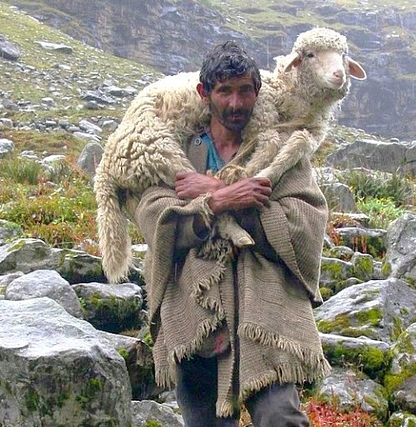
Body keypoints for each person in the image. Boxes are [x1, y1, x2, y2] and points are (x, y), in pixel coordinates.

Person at [134, 41, 330, 427]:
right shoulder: (176, 150)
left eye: (244, 90)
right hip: (196, 309)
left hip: (268, 310)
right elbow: (153, 216)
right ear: (204, 93)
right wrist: (222, 199)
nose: (236, 104)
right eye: (225, 91)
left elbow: (306, 224)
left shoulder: (280, 152)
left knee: (280, 417)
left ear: (258, 92)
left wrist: (211, 193)